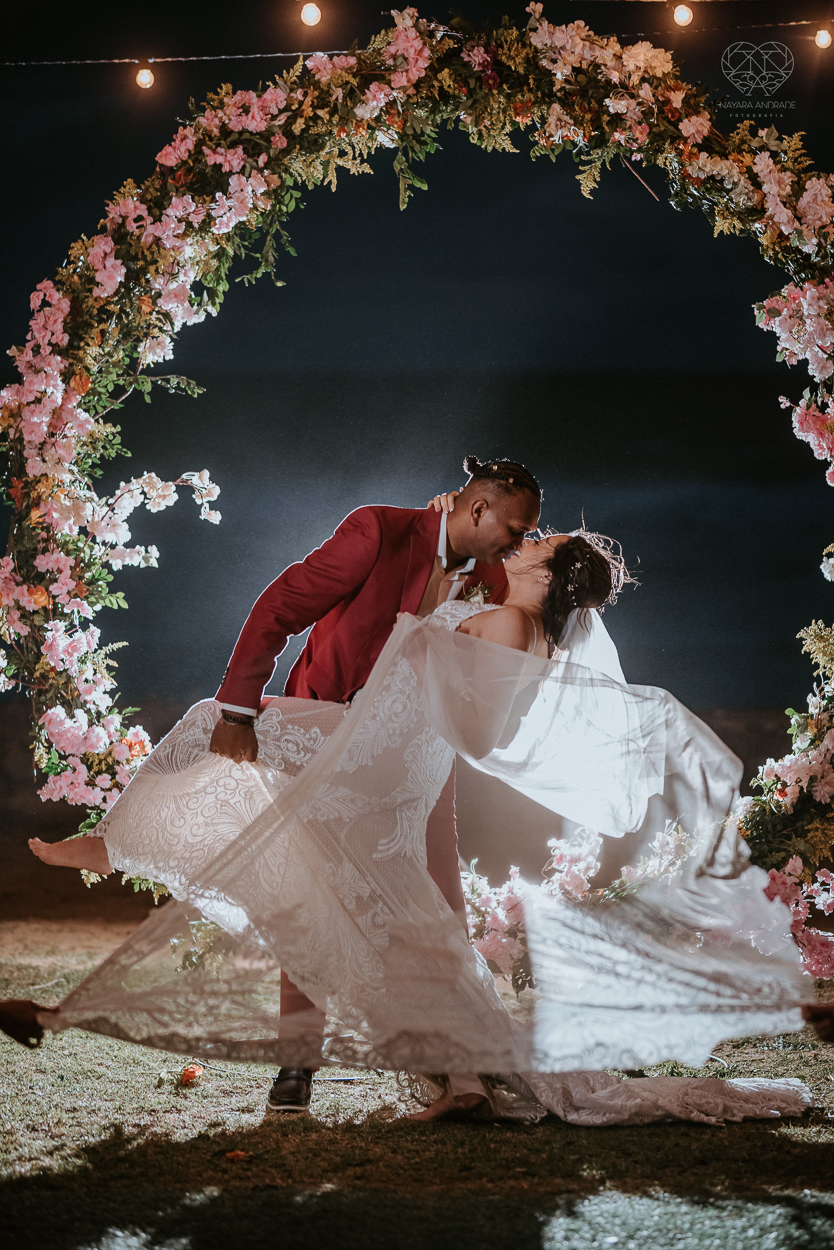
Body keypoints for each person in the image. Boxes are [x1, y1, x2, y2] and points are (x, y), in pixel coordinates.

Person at [20, 527, 815, 1126]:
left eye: (539, 541)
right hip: (388, 746)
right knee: (402, 906)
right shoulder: (524, 626)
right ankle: (465, 1076)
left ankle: (121, 843)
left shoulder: (508, 625)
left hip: (389, 750)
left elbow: (477, 734)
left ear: (547, 571)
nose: (526, 542)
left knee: (212, 727)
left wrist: (429, 655)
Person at [29, 454, 542, 1114]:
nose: (521, 540)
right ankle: (295, 1069)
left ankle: (467, 1074)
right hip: (323, 740)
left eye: (529, 534)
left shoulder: (496, 579)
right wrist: (242, 710)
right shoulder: (378, 533)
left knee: (441, 909)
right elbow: (280, 607)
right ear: (477, 509)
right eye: (517, 526)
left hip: (414, 763)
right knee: (307, 895)